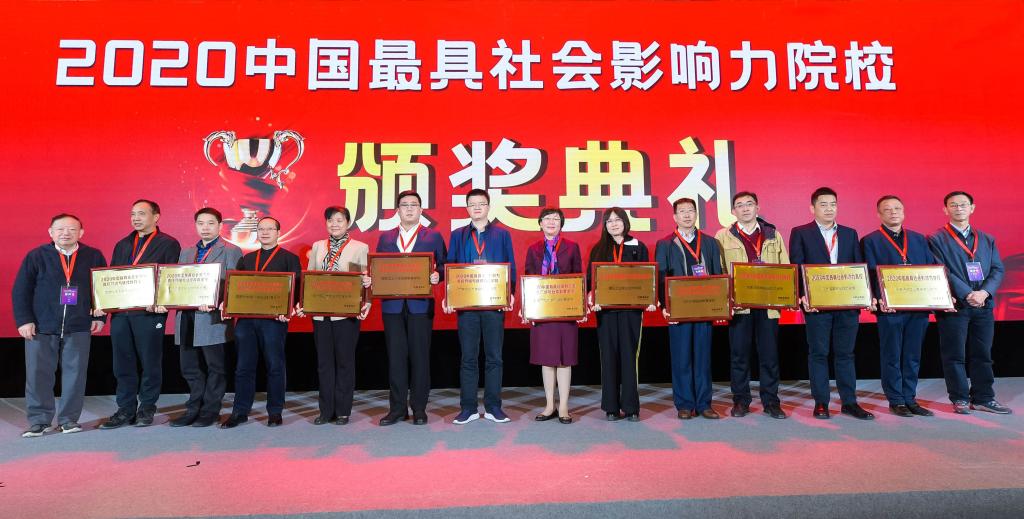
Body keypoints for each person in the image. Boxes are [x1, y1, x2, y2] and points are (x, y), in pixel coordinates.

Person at [13, 214, 107, 437]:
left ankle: (68, 420)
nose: (66, 233)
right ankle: (39, 421)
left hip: (79, 326)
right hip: (41, 326)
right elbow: (21, 290)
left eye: (72, 229)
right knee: (38, 375)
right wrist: (24, 320)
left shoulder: (93, 255)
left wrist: (100, 317)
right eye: (60, 229)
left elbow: (103, 288)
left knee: (76, 375)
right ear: (51, 232)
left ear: (81, 233)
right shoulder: (36, 256)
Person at [789, 187, 873, 420]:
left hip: (847, 305)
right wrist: (803, 296)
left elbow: (858, 267)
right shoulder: (801, 232)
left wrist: (863, 296)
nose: (829, 209)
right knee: (819, 353)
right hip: (817, 305)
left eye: (833, 204)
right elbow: (797, 266)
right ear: (812, 208)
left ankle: (850, 402)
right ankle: (821, 402)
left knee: (846, 354)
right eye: (823, 204)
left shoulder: (849, 233)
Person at [99, 199, 181, 429]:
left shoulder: (168, 243)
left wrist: (162, 302)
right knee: (122, 364)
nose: (136, 218)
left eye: (142, 214)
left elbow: (170, 278)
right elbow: (113, 277)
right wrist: (104, 303)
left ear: (156, 217)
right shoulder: (122, 244)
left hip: (149, 314)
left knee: (150, 363)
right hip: (121, 314)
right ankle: (125, 409)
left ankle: (146, 408)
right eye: (133, 214)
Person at [369, 190, 446, 426]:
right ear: (398, 210)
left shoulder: (433, 236)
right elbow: (377, 268)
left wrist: (437, 275)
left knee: (420, 358)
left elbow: (444, 266)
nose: (409, 208)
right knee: (396, 358)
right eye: (405, 205)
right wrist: (372, 278)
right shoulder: (385, 238)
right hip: (392, 306)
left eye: (414, 204)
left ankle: (419, 408)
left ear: (421, 210)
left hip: (420, 306)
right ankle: (397, 409)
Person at [928, 191, 1010, 414]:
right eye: (953, 205)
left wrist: (984, 293)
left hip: (983, 305)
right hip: (955, 306)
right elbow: (941, 270)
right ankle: (960, 398)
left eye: (963, 204)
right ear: (945, 209)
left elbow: (997, 269)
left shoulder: (987, 238)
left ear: (972, 208)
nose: (959, 208)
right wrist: (967, 294)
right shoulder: (936, 239)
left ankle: (984, 397)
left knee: (983, 354)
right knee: (954, 355)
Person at [160, 208, 242, 428]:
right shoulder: (186, 252)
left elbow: (235, 285)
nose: (205, 228)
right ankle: (193, 408)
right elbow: (178, 283)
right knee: (189, 367)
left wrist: (219, 302)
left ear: (220, 226)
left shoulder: (231, 251)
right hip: (186, 316)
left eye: (211, 223)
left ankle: (211, 410)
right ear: (195, 225)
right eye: (201, 223)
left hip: (212, 318)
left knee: (216, 367)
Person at [443, 189, 517, 425]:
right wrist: (449, 296)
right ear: (467, 208)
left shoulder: (502, 234)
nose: (477, 207)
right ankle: (468, 408)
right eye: (472, 204)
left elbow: (510, 266)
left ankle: (494, 407)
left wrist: (510, 293)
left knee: (494, 357)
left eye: (481, 203)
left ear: (488, 207)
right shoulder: (458, 235)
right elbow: (451, 266)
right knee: (468, 358)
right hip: (467, 306)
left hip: (494, 304)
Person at [221, 217, 302, 428]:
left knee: (275, 366)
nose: (265, 232)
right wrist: (228, 305)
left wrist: (289, 309)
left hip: (274, 321)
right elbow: (236, 287)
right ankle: (240, 411)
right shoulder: (247, 259)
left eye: (270, 229)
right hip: (246, 321)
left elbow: (297, 289)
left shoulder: (289, 258)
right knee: (243, 367)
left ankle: (275, 411)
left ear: (278, 232)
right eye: (261, 229)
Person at [714, 191, 789, 419]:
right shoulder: (723, 236)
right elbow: (720, 271)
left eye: (749, 204)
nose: (745, 208)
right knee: (739, 356)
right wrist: (726, 301)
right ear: (733, 211)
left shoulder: (773, 234)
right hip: (740, 306)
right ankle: (741, 400)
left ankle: (771, 401)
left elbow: (785, 266)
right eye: (740, 205)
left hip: (768, 305)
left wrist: (786, 297)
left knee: (769, 356)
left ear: (758, 208)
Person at [861, 195, 938, 417]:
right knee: (892, 355)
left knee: (913, 355)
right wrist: (876, 298)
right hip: (889, 309)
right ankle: (896, 400)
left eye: (897, 208)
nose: (893, 212)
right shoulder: (870, 240)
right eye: (887, 209)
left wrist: (938, 297)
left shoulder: (919, 239)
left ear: (903, 212)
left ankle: (910, 398)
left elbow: (931, 270)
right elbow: (867, 273)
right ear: (879, 214)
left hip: (918, 308)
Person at [297, 206, 371, 426]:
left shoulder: (359, 248)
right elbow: (310, 279)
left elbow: (363, 280)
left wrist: (365, 303)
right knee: (324, 363)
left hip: (345, 314)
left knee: (345, 362)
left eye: (339, 220)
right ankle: (325, 410)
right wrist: (304, 304)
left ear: (348, 223)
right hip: (320, 314)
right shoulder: (318, 246)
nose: (335, 224)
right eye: (330, 220)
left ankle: (343, 411)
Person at [655, 198, 724, 420]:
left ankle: (704, 404)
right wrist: (665, 306)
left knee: (703, 358)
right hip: (679, 311)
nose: (686, 215)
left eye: (690, 211)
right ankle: (684, 404)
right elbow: (660, 277)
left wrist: (719, 306)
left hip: (704, 309)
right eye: (682, 211)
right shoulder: (665, 244)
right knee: (681, 358)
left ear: (696, 214)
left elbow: (718, 274)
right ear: (674, 217)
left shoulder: (711, 243)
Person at [587, 207, 656, 422]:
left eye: (618, 220)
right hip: (605, 313)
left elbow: (647, 276)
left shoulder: (638, 246)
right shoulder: (598, 249)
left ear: (625, 222)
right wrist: (593, 299)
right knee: (608, 358)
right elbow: (591, 281)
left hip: (631, 312)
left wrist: (649, 298)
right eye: (609, 221)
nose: (614, 224)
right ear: (605, 226)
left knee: (629, 357)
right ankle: (611, 407)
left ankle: (631, 407)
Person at [524, 208, 583, 424]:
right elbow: (529, 278)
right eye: (547, 219)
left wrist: (580, 307)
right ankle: (550, 405)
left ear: (561, 224)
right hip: (542, 311)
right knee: (547, 359)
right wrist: (527, 308)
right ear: (540, 223)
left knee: (565, 360)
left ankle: (564, 406)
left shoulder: (572, 247)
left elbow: (578, 278)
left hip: (565, 311)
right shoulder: (533, 249)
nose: (551, 222)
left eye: (556, 219)